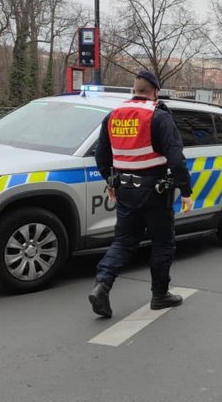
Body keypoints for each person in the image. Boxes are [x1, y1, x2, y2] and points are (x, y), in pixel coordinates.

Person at [88, 70, 193, 318]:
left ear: (134, 90)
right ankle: (160, 295)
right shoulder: (159, 116)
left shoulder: (113, 115)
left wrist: (110, 180)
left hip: (125, 189)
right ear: (155, 91)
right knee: (162, 242)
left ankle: (102, 284)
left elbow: (101, 155)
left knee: (123, 241)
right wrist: (186, 191)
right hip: (155, 191)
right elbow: (176, 158)